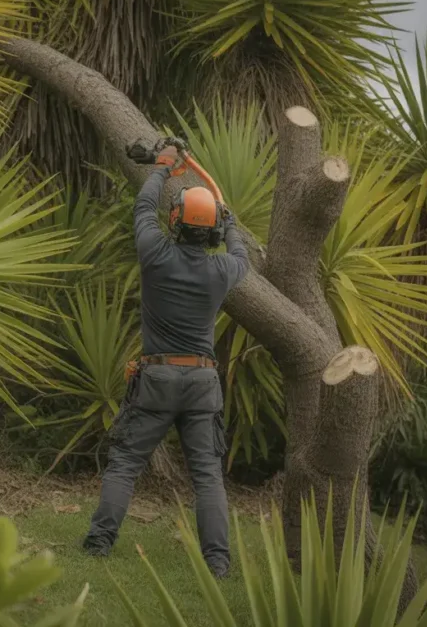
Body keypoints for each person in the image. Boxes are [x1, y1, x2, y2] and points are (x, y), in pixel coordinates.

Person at [81, 158, 249, 579]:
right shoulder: (222, 270)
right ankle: (217, 564)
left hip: (155, 378)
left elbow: (142, 207)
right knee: (208, 476)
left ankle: (99, 543)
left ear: (175, 221)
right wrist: (226, 223)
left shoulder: (154, 253)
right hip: (202, 381)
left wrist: (161, 171)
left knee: (125, 464)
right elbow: (242, 253)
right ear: (209, 229)